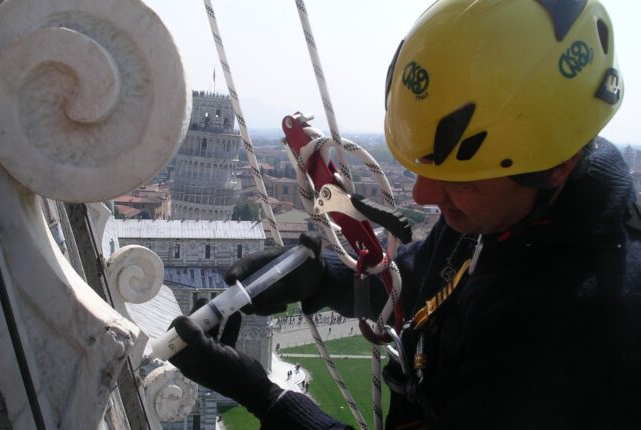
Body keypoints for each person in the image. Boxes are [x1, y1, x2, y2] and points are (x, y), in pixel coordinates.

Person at [168, 0, 641, 428]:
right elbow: (419, 283)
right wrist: (322, 279)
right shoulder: (516, 206)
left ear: (556, 166)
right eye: (421, 166)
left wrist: (265, 397)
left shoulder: (576, 325)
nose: (423, 193)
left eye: (460, 179)